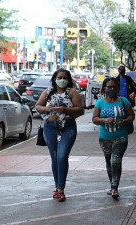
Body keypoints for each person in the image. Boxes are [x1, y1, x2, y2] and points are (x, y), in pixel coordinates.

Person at [35, 68, 84, 202]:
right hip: (50, 128)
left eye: (64, 78)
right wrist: (47, 108)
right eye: (59, 77)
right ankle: (57, 188)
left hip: (68, 127)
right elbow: (37, 106)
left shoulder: (72, 92)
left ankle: (61, 188)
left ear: (68, 80)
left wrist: (66, 109)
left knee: (62, 156)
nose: (62, 80)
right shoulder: (48, 92)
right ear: (54, 79)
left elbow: (80, 110)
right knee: (55, 157)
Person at [92, 77, 135, 199]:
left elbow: (132, 115)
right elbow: (94, 119)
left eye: (114, 86)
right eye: (109, 87)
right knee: (109, 163)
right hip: (105, 138)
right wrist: (104, 120)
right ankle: (112, 185)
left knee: (116, 160)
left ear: (117, 88)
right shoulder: (100, 103)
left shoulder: (123, 101)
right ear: (104, 88)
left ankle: (115, 187)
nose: (111, 89)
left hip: (120, 137)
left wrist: (125, 121)